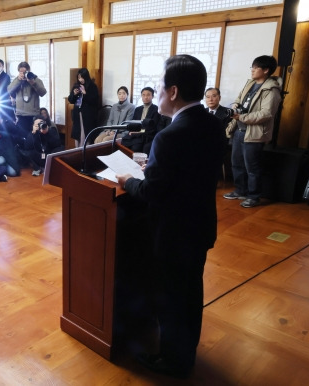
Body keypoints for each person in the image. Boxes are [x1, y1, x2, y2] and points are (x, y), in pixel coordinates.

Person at [117, 54, 226, 378]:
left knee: (173, 299)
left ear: (174, 91)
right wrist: (154, 170)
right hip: (200, 226)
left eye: (162, 87)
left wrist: (130, 180)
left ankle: (173, 362)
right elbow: (189, 174)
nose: (158, 93)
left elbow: (154, 192)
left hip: (174, 233)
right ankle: (184, 355)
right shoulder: (212, 124)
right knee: (190, 295)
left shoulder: (169, 136)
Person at [223, 55, 282, 208]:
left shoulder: (272, 89)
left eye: (256, 68)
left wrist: (242, 116)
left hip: (254, 133)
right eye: (252, 67)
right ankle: (240, 190)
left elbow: (267, 114)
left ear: (266, 70)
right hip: (239, 130)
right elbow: (238, 99)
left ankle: (254, 196)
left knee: (252, 168)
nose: (252, 70)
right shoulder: (250, 83)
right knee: (236, 163)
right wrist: (235, 108)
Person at [7, 61, 46, 136]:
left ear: (29, 70)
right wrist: (18, 80)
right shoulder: (17, 80)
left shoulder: (35, 79)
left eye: (25, 72)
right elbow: (9, 90)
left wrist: (33, 83)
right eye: (21, 72)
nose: (23, 74)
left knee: (34, 136)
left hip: (33, 114)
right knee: (22, 137)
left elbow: (43, 92)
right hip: (21, 115)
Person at [67, 67, 99, 147]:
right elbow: (71, 100)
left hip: (87, 115)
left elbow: (94, 101)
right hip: (77, 114)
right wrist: (74, 94)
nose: (80, 79)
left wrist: (85, 94)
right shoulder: (76, 86)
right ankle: (77, 151)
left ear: (86, 76)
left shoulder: (92, 86)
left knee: (85, 134)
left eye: (82, 77)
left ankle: (84, 152)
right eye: (79, 77)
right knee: (77, 134)